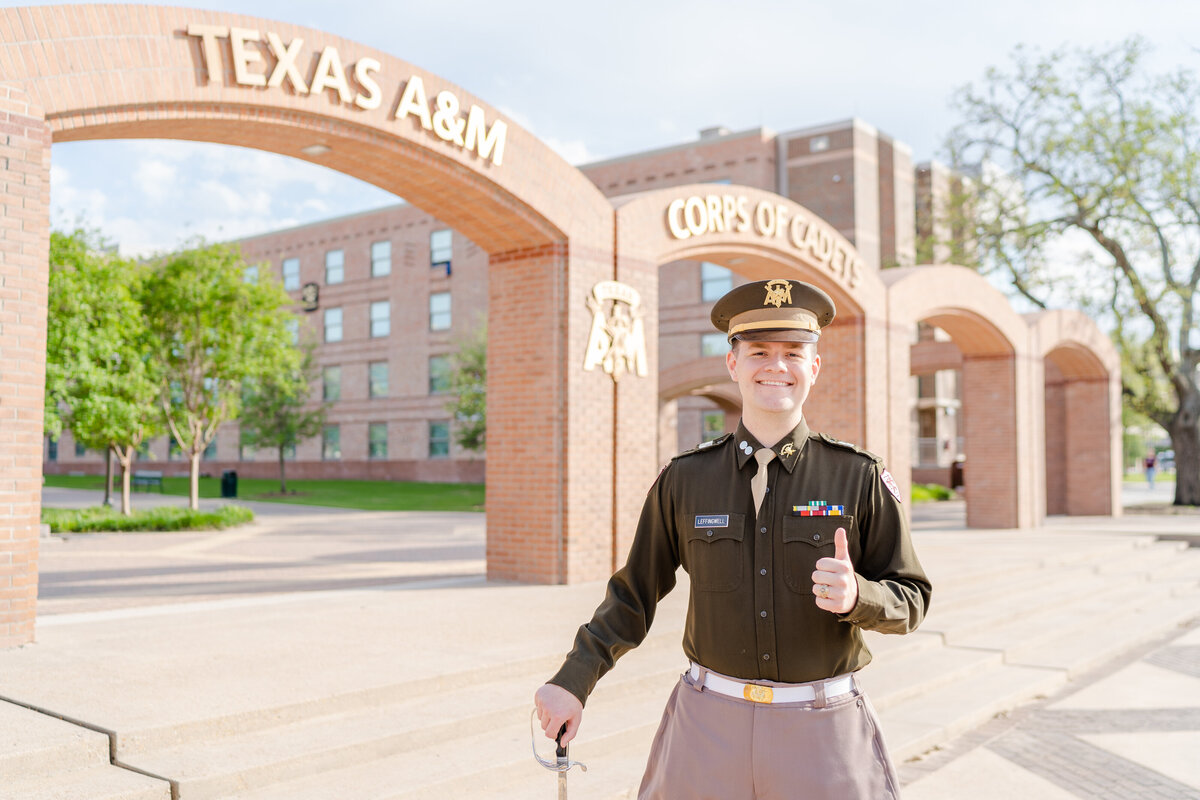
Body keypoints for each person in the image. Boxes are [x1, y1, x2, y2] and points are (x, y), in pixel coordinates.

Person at [534, 278, 932, 799]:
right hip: (707, 725)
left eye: (793, 352)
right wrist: (573, 680)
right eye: (759, 351)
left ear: (814, 366)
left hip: (822, 730)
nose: (776, 365)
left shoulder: (856, 477)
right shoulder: (685, 479)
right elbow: (634, 593)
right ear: (733, 363)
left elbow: (912, 596)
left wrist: (860, 596)